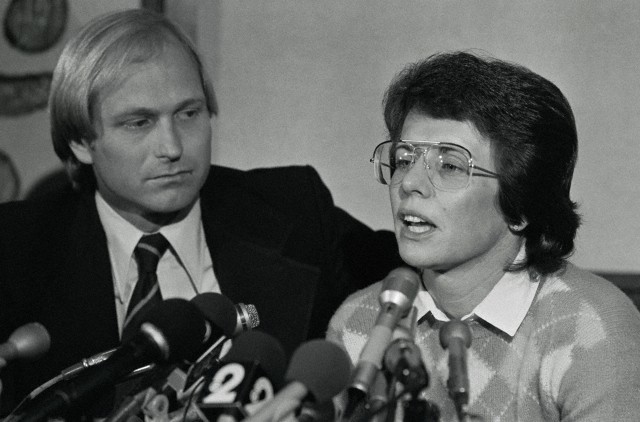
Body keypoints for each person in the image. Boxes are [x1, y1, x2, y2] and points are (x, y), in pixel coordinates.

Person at [0, 9, 401, 417]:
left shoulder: (292, 208)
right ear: (81, 142)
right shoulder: (16, 246)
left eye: (188, 114)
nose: (172, 147)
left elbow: (421, 273)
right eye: (139, 123)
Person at [327, 51, 640, 421]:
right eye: (405, 159)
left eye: (450, 165)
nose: (408, 183)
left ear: (520, 206)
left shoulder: (589, 327)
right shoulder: (362, 321)